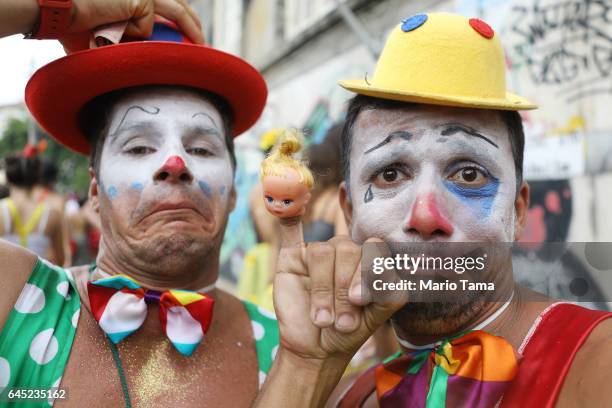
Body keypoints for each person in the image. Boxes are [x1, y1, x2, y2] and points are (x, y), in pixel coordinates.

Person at [255, 13, 612, 407]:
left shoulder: (600, 364)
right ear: (350, 211)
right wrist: (305, 365)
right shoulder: (346, 395)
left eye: (470, 174)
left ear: (518, 209)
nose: (426, 216)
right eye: (390, 173)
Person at [0, 1, 278, 406]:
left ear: (234, 190)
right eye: (139, 146)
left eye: (201, 148)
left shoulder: (289, 353)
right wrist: (56, 9)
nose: (174, 164)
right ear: (95, 191)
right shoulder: (15, 297)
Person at [0, 150, 65, 265]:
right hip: (39, 282)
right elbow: (60, 259)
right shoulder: (51, 213)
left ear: (9, 179)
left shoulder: (1, 210)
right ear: (37, 179)